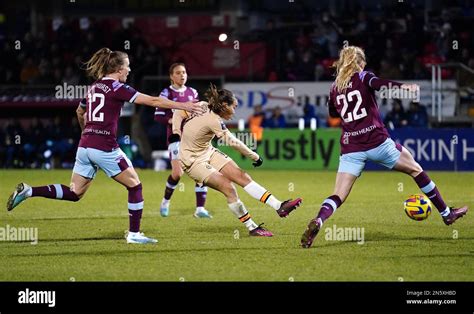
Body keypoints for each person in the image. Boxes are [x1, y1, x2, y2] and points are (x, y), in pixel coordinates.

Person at [6, 47, 204, 244]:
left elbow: (79, 111)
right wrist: (184, 106)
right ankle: (134, 234)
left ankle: (29, 191)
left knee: (75, 193)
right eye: (127, 67)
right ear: (118, 69)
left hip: (84, 147)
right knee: (135, 185)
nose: (129, 70)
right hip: (105, 147)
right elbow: (152, 100)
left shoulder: (93, 87)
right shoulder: (118, 88)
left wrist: (86, 131)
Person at [301, 46, 468, 248]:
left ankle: (319, 220)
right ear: (359, 63)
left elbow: (334, 115)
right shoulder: (363, 77)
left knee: (338, 195)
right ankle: (446, 214)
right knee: (416, 169)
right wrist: (404, 87)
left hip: (351, 147)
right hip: (377, 142)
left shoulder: (335, 87)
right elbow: (380, 84)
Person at [176, 84, 302, 236]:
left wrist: (177, 131)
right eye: (233, 107)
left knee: (242, 176)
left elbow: (178, 111)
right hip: (192, 161)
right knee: (228, 187)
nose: (234, 112)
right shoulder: (214, 120)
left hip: (207, 151)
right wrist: (254, 156)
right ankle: (252, 227)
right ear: (224, 105)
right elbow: (233, 142)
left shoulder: (202, 105)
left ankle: (278, 206)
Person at [154, 63, 210, 218]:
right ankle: (165, 202)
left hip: (193, 138)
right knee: (177, 173)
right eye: (178, 73)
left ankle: (200, 209)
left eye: (184, 72)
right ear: (171, 76)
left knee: (201, 170)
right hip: (176, 137)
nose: (182, 75)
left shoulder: (193, 92)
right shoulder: (166, 93)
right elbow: (158, 116)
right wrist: (174, 120)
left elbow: (199, 113)